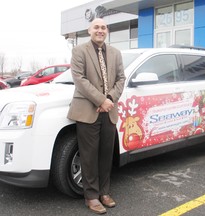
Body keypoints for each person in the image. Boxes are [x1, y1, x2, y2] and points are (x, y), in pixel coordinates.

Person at [67, 18, 126, 214]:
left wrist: (109, 98)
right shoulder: (79, 51)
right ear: (89, 30)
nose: (100, 30)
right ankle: (91, 197)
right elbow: (80, 79)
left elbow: (120, 79)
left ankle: (104, 192)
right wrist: (101, 100)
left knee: (105, 155)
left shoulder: (116, 53)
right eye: (96, 27)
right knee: (89, 157)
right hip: (87, 111)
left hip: (109, 112)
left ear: (107, 30)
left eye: (103, 27)